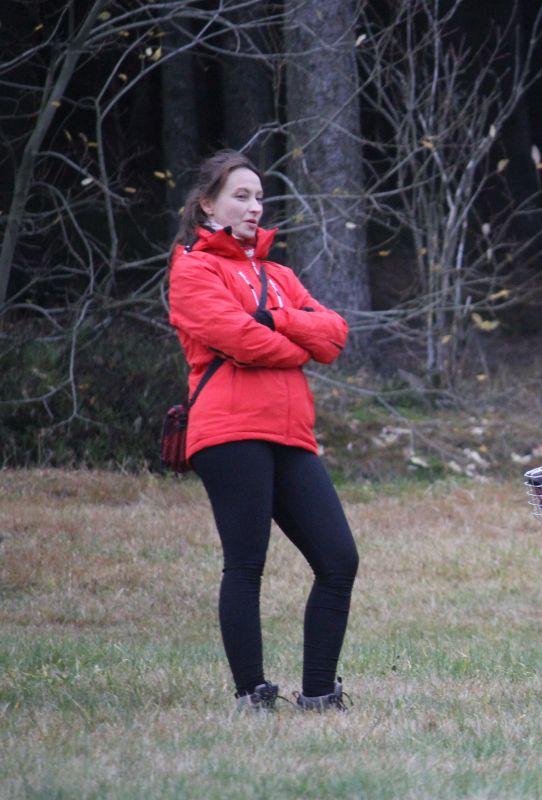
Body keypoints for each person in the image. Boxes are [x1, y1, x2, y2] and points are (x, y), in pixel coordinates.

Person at [168, 150, 359, 712]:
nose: (255, 207)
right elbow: (238, 340)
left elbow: (334, 336)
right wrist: (293, 344)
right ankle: (253, 692)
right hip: (228, 431)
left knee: (338, 560)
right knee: (247, 561)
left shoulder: (280, 276)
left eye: (258, 197)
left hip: (290, 433)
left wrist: (276, 319)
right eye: (241, 196)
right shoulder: (194, 268)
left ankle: (319, 694)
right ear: (208, 205)